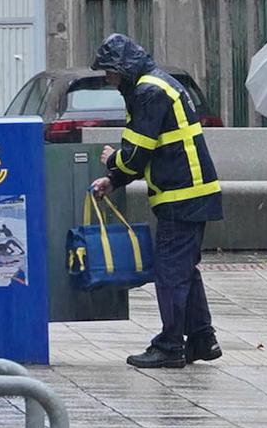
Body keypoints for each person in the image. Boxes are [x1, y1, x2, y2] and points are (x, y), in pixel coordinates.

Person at [89, 33, 223, 369]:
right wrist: (114, 180)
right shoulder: (158, 84)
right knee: (185, 271)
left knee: (170, 273)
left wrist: (111, 162)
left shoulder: (147, 92)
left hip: (181, 198)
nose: (109, 79)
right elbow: (152, 151)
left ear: (124, 68)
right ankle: (202, 339)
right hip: (193, 194)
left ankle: (170, 346)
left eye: (110, 72)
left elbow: (135, 155)